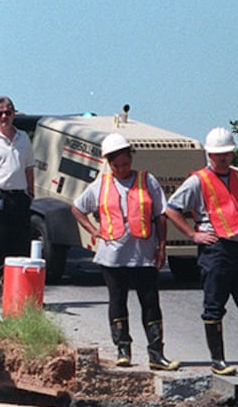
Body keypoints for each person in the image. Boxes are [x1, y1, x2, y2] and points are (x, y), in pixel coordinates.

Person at [165, 127, 238, 375]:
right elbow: (171, 209)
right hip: (215, 249)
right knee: (214, 306)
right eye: (218, 154)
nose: (223, 158)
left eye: (227, 153)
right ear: (209, 154)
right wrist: (192, 234)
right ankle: (218, 361)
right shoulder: (198, 180)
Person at [70, 132, 178, 370]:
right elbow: (77, 208)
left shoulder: (147, 181)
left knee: (150, 302)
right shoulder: (101, 185)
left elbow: (160, 217)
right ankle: (123, 350)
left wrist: (161, 247)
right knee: (117, 300)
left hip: (144, 254)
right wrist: (92, 230)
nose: (122, 169)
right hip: (113, 255)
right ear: (109, 164)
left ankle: (156, 353)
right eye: (116, 166)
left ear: (132, 158)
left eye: (126, 164)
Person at [0, 95, 34, 286]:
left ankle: (17, 289)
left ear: (14, 113)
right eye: (0, 113)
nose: (5, 116)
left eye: (8, 112)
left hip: (19, 198)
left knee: (20, 244)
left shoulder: (23, 138)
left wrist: (31, 193)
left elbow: (29, 167)